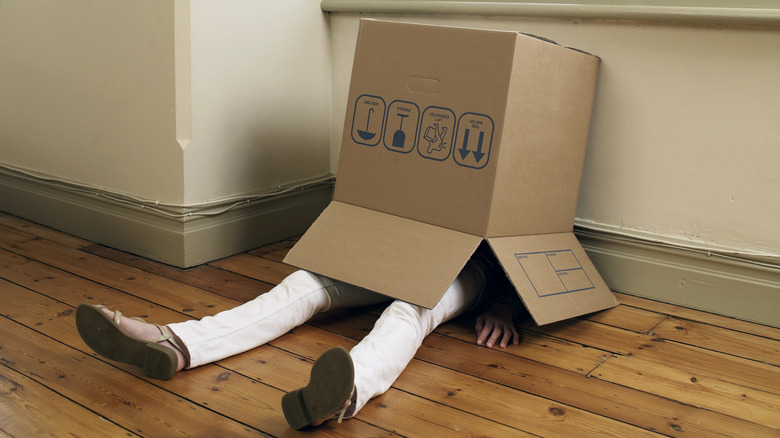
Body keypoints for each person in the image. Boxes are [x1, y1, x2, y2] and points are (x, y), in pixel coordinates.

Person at [75, 242, 526, 429]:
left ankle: (348, 391)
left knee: (411, 309)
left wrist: (506, 303)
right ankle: (175, 343)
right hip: (403, 248)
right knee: (305, 285)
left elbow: (532, 241)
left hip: (473, 268)